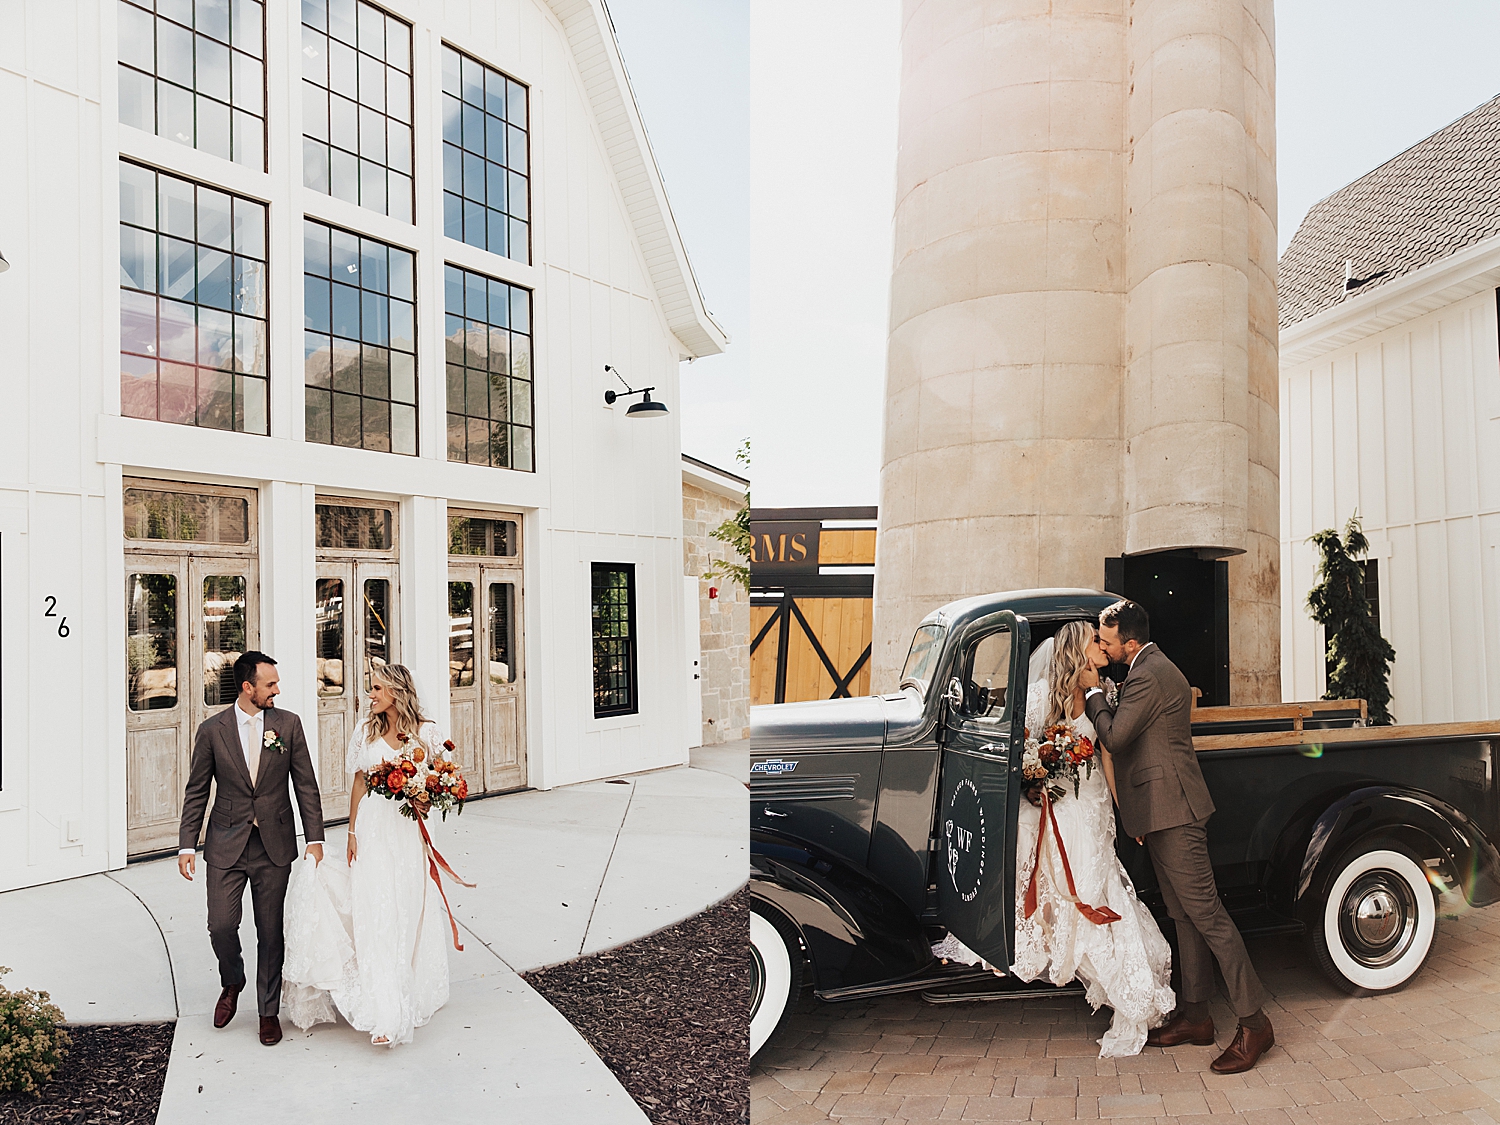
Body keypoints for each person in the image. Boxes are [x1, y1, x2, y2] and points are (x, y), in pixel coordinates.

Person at [1082, 599, 1274, 1073]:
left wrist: (1092, 695)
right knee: (1182, 915)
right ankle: (1197, 1018)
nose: (1102, 648)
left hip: (1177, 812)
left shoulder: (1150, 672)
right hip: (1160, 811)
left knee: (1207, 915)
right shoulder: (1145, 666)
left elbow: (1118, 737)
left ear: (1129, 642)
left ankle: (1255, 1023)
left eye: (1106, 642)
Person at [1010, 621, 1178, 1056]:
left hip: (1093, 805)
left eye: (1105, 641)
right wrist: (1035, 777)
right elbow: (1029, 747)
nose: (1103, 646)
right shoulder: (1040, 696)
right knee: (1070, 885)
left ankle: (1129, 985)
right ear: (1078, 651)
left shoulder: (1104, 692)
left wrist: (1126, 815)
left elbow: (1109, 756)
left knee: (1095, 882)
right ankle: (1099, 968)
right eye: (1096, 641)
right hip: (1060, 805)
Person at [281, 664, 453, 1046]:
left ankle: (407, 987)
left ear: (396, 691)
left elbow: (443, 779)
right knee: (377, 912)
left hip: (409, 834)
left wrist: (427, 798)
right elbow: (358, 781)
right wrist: (352, 830)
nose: (370, 695)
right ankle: (385, 1013)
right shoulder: (365, 732)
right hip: (374, 830)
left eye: (376, 688)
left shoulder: (427, 733)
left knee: (407, 909)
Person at [178, 651, 325, 1048]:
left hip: (273, 845)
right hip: (225, 843)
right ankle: (233, 980)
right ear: (248, 688)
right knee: (221, 926)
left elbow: (305, 785)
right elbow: (197, 791)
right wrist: (186, 844)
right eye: (270, 684)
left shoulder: (288, 725)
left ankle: (267, 1011)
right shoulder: (212, 730)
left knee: (270, 932)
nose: (277, 690)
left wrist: (315, 838)